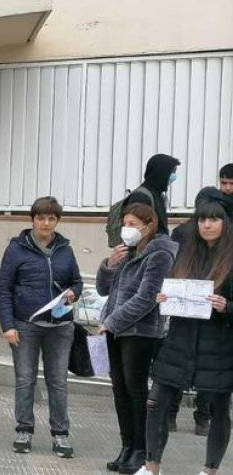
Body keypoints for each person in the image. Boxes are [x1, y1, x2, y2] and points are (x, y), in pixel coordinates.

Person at [139, 197, 233, 475]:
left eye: (214, 219)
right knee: (155, 402)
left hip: (219, 346)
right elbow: (174, 288)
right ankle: (151, 466)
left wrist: (227, 306)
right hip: (179, 341)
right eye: (202, 219)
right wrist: (165, 297)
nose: (207, 225)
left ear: (225, 223)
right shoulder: (185, 251)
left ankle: (209, 470)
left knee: (218, 410)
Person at [0, 196, 83, 458]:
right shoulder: (16, 249)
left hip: (60, 326)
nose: (46, 223)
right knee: (25, 380)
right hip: (25, 325)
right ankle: (24, 429)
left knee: (58, 381)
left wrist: (73, 293)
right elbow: (4, 289)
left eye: (52, 218)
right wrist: (7, 325)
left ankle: (60, 434)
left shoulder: (65, 249)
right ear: (32, 219)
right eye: (41, 217)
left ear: (57, 221)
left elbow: (77, 282)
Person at [98, 202, 177, 474]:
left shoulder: (159, 254)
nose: (127, 229)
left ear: (148, 225)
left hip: (140, 332)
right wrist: (109, 264)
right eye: (125, 224)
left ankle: (142, 450)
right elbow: (103, 289)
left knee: (136, 391)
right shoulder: (129, 252)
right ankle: (127, 446)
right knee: (119, 390)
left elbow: (146, 298)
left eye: (133, 225)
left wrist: (111, 322)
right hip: (115, 330)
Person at [126, 154, 182, 238]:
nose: (174, 176)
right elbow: (135, 231)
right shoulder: (141, 197)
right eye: (172, 171)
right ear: (162, 172)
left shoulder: (158, 194)